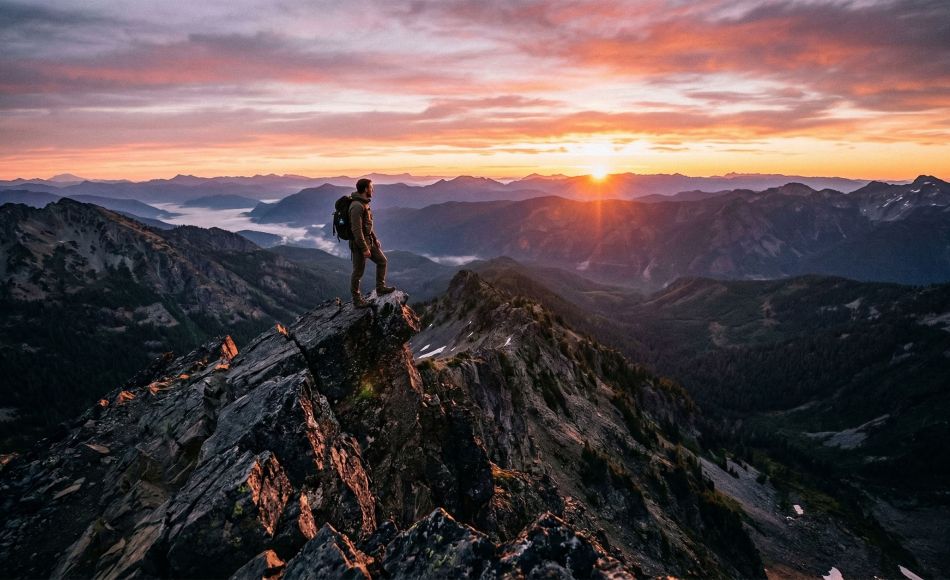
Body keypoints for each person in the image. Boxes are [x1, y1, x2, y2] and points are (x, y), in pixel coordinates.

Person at [349, 178, 395, 307]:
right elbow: (357, 230)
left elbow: (367, 225)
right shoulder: (357, 206)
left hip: (369, 241)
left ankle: (380, 288)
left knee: (382, 261)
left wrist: (375, 239)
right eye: (371, 187)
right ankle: (356, 300)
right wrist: (364, 248)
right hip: (359, 244)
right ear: (365, 189)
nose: (373, 190)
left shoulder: (364, 203)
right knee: (358, 272)